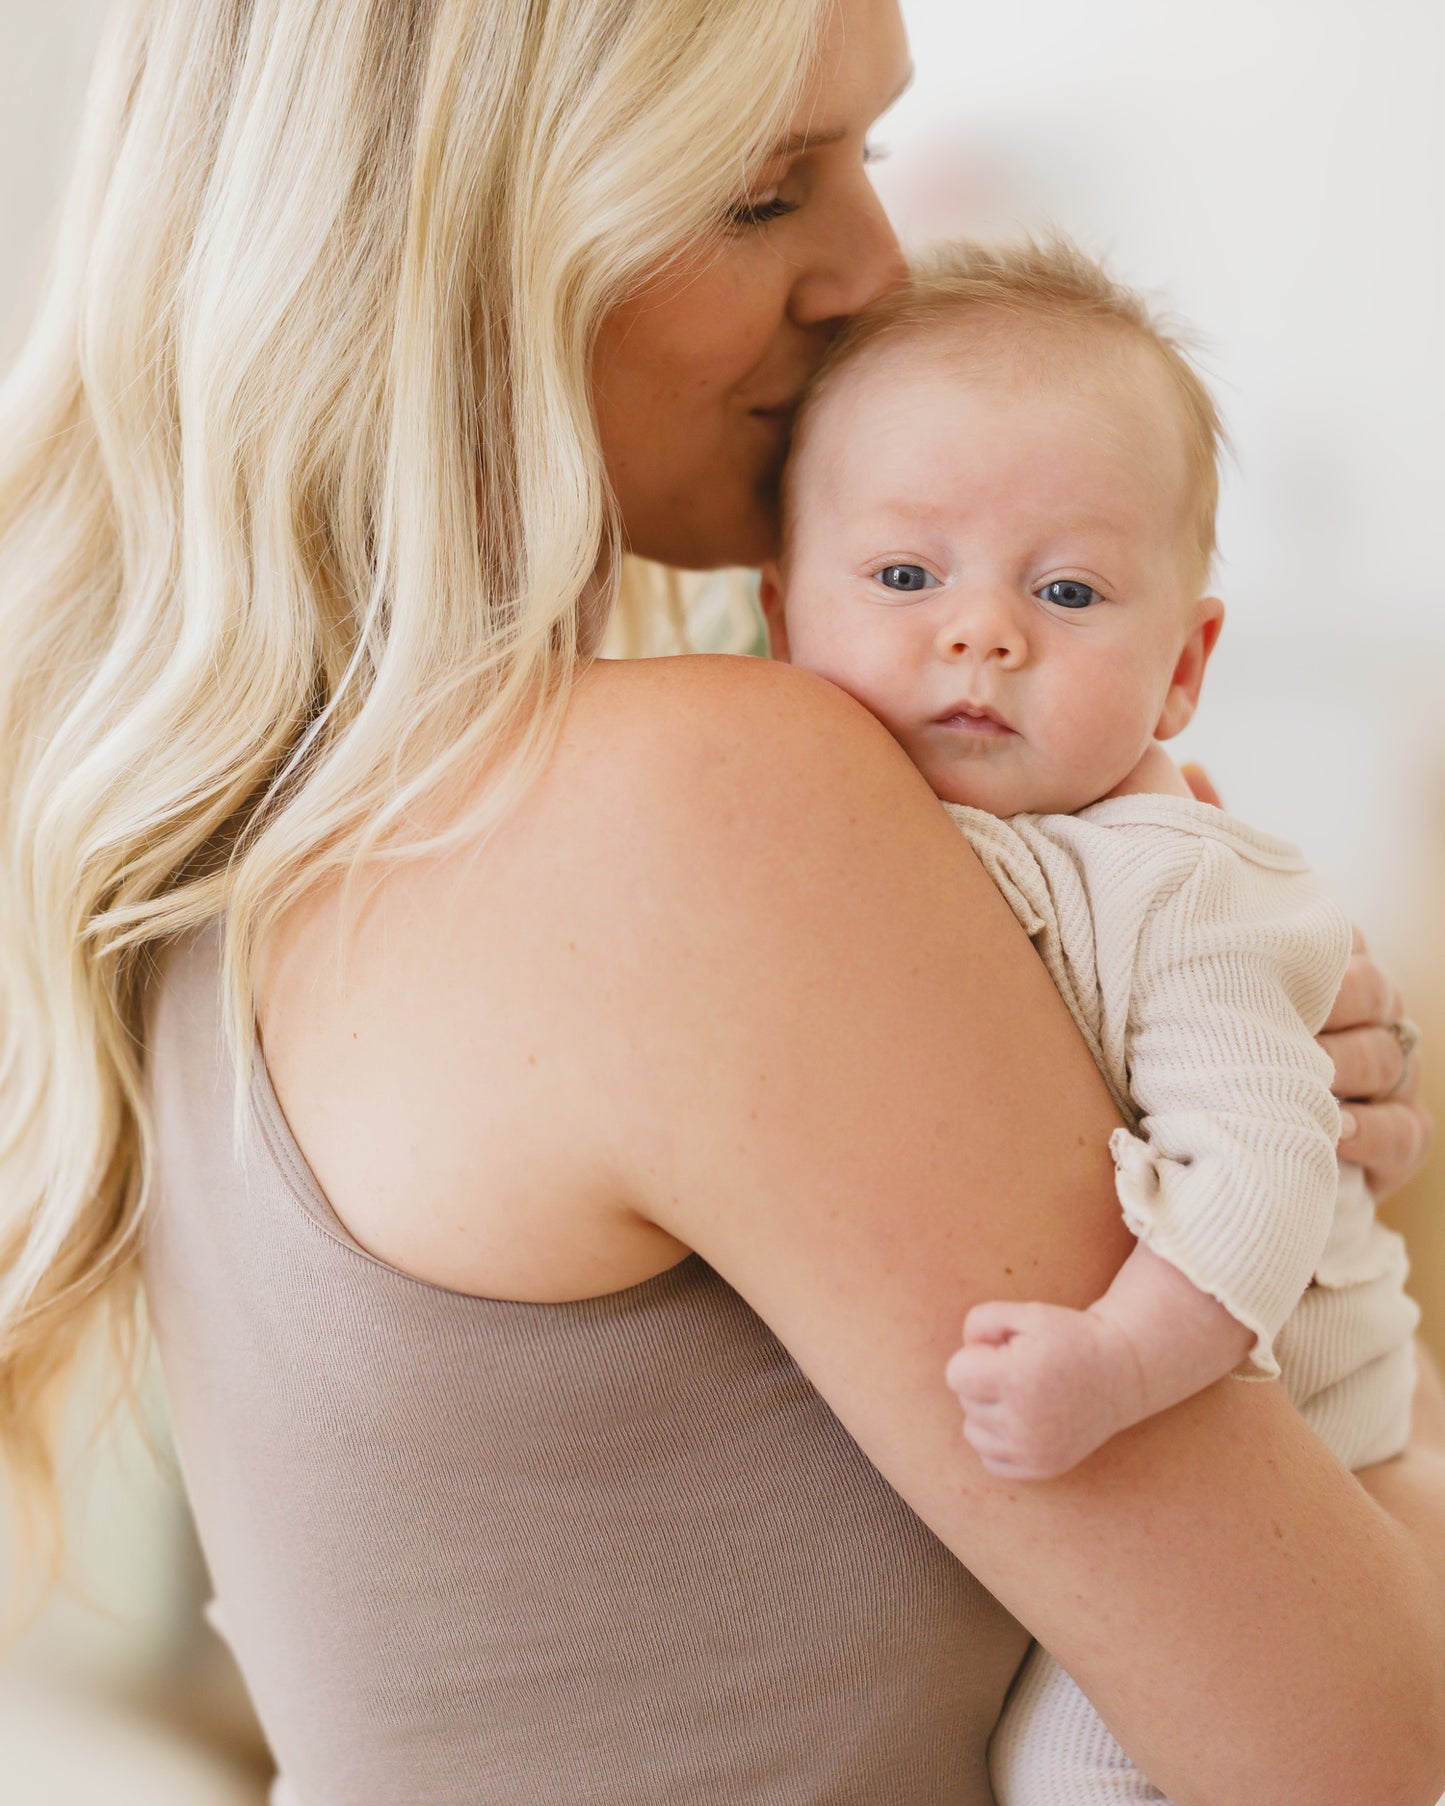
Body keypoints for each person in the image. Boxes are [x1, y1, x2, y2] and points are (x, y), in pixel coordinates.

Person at [0, 3, 1441, 1803]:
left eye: (872, 156)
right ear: (453, 235)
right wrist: (1320, 1276)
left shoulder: (250, 823)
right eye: (762, 190)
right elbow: (1364, 1748)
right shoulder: (700, 803)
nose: (874, 267)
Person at [756, 236, 1426, 1803]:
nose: (981, 631)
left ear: (1182, 665)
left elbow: (1259, 1175)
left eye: (1063, 590)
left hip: (1283, 1426)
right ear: (777, 609)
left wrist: (1114, 1369)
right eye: (907, 576)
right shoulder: (868, 823)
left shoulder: (1175, 885)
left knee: (1069, 1764)